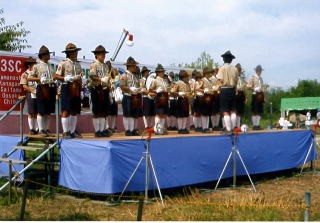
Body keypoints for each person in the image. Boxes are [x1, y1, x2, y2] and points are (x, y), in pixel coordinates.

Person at [54, 43, 83, 139]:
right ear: (69, 53)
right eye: (74, 52)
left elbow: (80, 76)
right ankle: (66, 132)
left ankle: (72, 131)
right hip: (66, 87)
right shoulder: (63, 63)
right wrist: (65, 78)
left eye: (76, 52)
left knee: (74, 110)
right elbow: (56, 76)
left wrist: (81, 89)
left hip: (76, 87)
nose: (76, 53)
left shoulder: (78, 64)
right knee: (66, 110)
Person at [28, 46, 57, 137]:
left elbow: (54, 76)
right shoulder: (36, 66)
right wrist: (39, 78)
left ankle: (46, 129)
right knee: (41, 110)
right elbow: (29, 78)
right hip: (42, 88)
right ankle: (41, 130)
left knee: (48, 111)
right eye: (47, 54)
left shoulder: (51, 65)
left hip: (51, 88)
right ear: (43, 55)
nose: (49, 56)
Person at [88, 45, 112, 137]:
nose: (103, 55)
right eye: (101, 54)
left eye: (104, 54)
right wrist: (100, 79)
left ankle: (102, 130)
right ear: (96, 55)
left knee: (103, 111)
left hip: (105, 90)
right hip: (97, 89)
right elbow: (92, 76)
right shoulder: (94, 65)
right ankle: (97, 130)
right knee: (97, 111)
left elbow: (108, 76)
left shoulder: (105, 66)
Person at [216, 50, 239, 133]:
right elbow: (236, 81)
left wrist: (217, 88)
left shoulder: (221, 68)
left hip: (224, 90)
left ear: (224, 59)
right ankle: (233, 128)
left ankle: (228, 129)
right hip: (232, 90)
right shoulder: (235, 69)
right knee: (233, 110)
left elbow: (220, 80)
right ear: (231, 60)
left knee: (225, 111)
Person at [119, 57, 142, 136]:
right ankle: (127, 130)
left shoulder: (135, 76)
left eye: (135, 66)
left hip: (134, 97)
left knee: (133, 114)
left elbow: (138, 86)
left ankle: (132, 130)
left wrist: (139, 90)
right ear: (129, 66)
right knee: (127, 114)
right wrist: (130, 88)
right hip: (127, 96)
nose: (135, 67)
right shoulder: (124, 75)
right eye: (134, 66)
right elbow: (122, 86)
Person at [149, 64, 169, 134]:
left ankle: (162, 128)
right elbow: (150, 91)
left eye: (163, 71)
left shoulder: (165, 80)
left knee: (163, 114)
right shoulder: (154, 81)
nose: (163, 73)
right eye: (161, 72)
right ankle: (157, 129)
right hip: (158, 99)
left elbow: (167, 89)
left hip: (165, 98)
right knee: (158, 114)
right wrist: (156, 91)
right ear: (158, 73)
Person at [20, 57, 38, 135]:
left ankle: (38, 129)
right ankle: (32, 129)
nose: (34, 66)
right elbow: (24, 86)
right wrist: (33, 91)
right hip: (31, 94)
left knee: (38, 112)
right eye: (33, 64)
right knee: (31, 112)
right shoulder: (25, 74)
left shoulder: (37, 74)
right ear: (29, 65)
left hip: (39, 94)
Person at [247, 65, 265, 130]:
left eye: (260, 70)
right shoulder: (253, 78)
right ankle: (254, 125)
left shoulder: (261, 78)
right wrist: (254, 89)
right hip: (255, 95)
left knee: (259, 111)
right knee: (255, 111)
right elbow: (248, 86)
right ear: (256, 70)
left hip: (260, 95)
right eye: (258, 70)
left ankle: (257, 125)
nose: (259, 71)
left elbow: (262, 87)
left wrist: (263, 95)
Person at [198, 67, 214, 133]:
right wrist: (204, 90)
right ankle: (204, 127)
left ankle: (207, 127)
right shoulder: (202, 80)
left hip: (209, 97)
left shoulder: (210, 81)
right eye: (207, 73)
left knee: (208, 113)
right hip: (204, 98)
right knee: (204, 113)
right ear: (204, 74)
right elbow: (197, 88)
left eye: (209, 73)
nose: (208, 74)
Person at [106, 61, 119, 133]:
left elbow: (117, 83)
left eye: (110, 65)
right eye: (108, 65)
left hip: (114, 94)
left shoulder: (115, 73)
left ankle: (113, 126)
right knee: (108, 111)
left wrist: (115, 82)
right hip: (107, 94)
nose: (109, 66)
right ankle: (108, 126)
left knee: (114, 112)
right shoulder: (105, 74)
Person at [235, 63, 246, 128]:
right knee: (235, 110)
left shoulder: (242, 79)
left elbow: (244, 88)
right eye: (238, 70)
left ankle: (238, 125)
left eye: (240, 70)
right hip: (236, 94)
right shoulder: (234, 78)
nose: (239, 72)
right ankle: (234, 125)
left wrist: (245, 97)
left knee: (240, 111)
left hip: (241, 94)